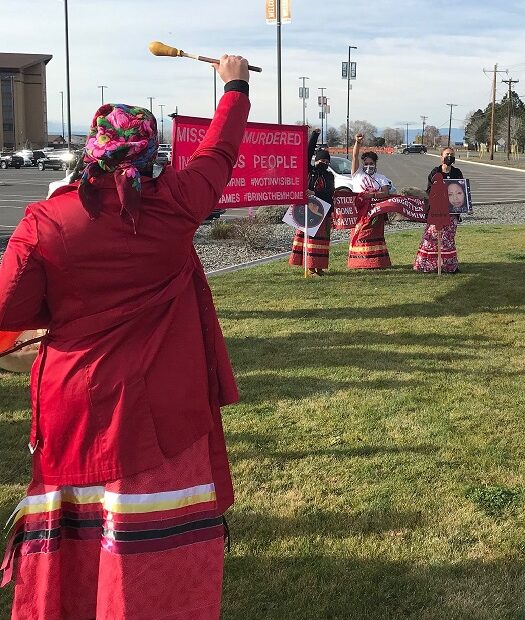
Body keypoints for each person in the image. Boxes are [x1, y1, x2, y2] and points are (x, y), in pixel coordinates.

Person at [0, 55, 251, 617]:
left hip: (74, 404)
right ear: (151, 153)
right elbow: (219, 153)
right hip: (162, 409)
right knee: (152, 542)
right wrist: (234, 86)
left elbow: (6, 306)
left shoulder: (44, 221)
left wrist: (60, 305)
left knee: (77, 530)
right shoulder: (178, 205)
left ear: (92, 148)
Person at [289, 128, 335, 275]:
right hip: (307, 211)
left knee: (321, 242)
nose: (325, 162)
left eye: (327, 161)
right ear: (316, 160)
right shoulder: (309, 171)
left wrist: (315, 193)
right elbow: (307, 153)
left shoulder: (329, 176)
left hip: (324, 211)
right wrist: (315, 136)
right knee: (309, 241)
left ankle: (319, 267)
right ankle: (310, 267)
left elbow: (329, 192)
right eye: (322, 160)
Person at [347, 134, 395, 269]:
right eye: (366, 164)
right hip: (360, 212)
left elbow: (385, 192)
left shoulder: (381, 178)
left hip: (376, 213)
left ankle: (377, 262)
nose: (368, 166)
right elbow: (355, 156)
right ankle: (359, 262)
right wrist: (357, 142)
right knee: (360, 234)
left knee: (375, 235)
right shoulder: (358, 174)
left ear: (375, 164)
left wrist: (372, 195)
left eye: (371, 164)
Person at [415, 148, 465, 273]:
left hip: (452, 212)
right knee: (432, 237)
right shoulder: (435, 172)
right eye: (447, 154)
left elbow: (461, 189)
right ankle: (428, 265)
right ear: (441, 157)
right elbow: (429, 191)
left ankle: (448, 266)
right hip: (436, 211)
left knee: (448, 238)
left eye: (452, 155)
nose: (449, 156)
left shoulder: (457, 172)